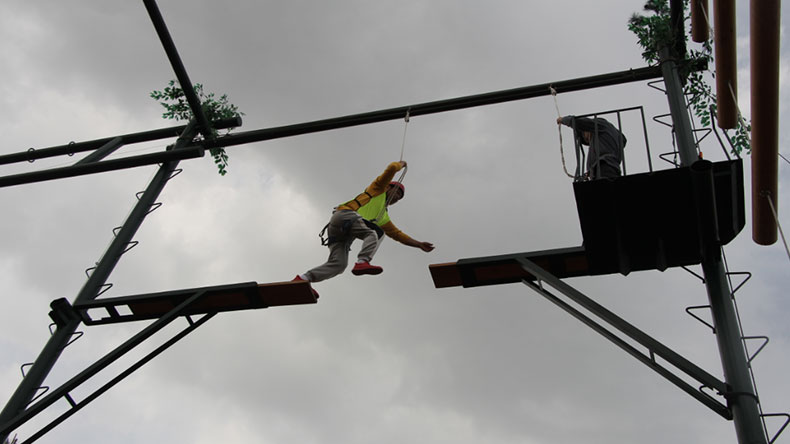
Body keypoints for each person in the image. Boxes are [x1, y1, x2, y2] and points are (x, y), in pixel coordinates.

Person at [293, 161, 435, 297]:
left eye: (400, 196)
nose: (397, 196)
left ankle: (303, 279)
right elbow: (392, 168)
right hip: (344, 215)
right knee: (374, 233)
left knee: (339, 264)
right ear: (388, 187)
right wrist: (401, 164)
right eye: (396, 191)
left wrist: (419, 244)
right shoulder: (378, 189)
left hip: (342, 232)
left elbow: (398, 235)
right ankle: (362, 262)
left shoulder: (383, 216)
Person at [557, 115, 627, 179]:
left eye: (584, 135)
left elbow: (581, 122)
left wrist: (564, 120)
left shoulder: (600, 125)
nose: (587, 140)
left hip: (604, 169)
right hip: (612, 169)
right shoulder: (611, 136)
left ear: (588, 129)